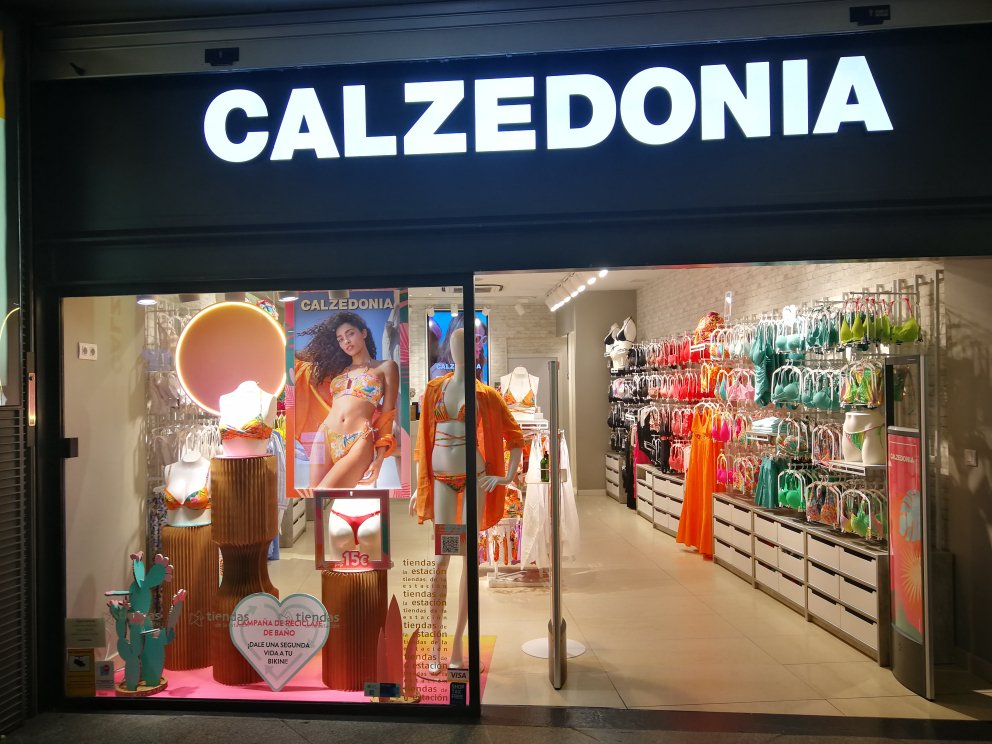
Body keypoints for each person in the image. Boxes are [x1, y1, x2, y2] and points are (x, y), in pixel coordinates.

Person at [413, 326, 525, 671]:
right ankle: (435, 645)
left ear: (477, 350)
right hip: (442, 483)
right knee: (441, 561)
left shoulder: (487, 395)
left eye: (468, 343)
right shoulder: (434, 389)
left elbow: (516, 437)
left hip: (474, 482)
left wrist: (506, 476)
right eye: (455, 343)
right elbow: (423, 440)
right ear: (449, 349)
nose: (460, 348)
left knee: (468, 563)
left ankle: (460, 643)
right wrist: (420, 485)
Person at [296, 311, 399, 489]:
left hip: (359, 439)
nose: (346, 341)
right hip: (325, 435)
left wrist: (379, 459)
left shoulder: (386, 367)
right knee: (315, 497)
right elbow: (302, 365)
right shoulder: (338, 371)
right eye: (340, 339)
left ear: (363, 333)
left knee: (324, 491)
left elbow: (387, 416)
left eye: (350, 334)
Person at [429, 313, 487, 382]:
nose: (481, 345)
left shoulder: (476, 366)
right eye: (476, 339)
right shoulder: (439, 371)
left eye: (483, 339)